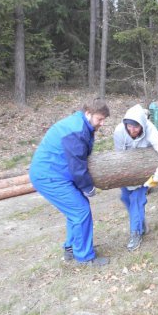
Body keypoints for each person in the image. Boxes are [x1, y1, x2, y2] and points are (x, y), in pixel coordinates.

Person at [29, 98, 110, 266]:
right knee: (80, 210)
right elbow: (77, 166)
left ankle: (71, 247)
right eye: (99, 119)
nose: (102, 123)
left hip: (55, 171)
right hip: (49, 175)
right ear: (88, 113)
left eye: (104, 120)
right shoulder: (76, 130)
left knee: (76, 209)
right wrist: (88, 187)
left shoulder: (82, 125)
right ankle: (85, 258)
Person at [113, 104, 158, 251]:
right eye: (129, 126)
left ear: (142, 125)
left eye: (136, 127)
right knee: (126, 199)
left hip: (144, 172)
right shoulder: (119, 131)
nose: (132, 130)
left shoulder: (150, 130)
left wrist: (155, 178)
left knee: (137, 201)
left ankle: (136, 233)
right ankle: (141, 224)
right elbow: (119, 157)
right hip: (126, 173)